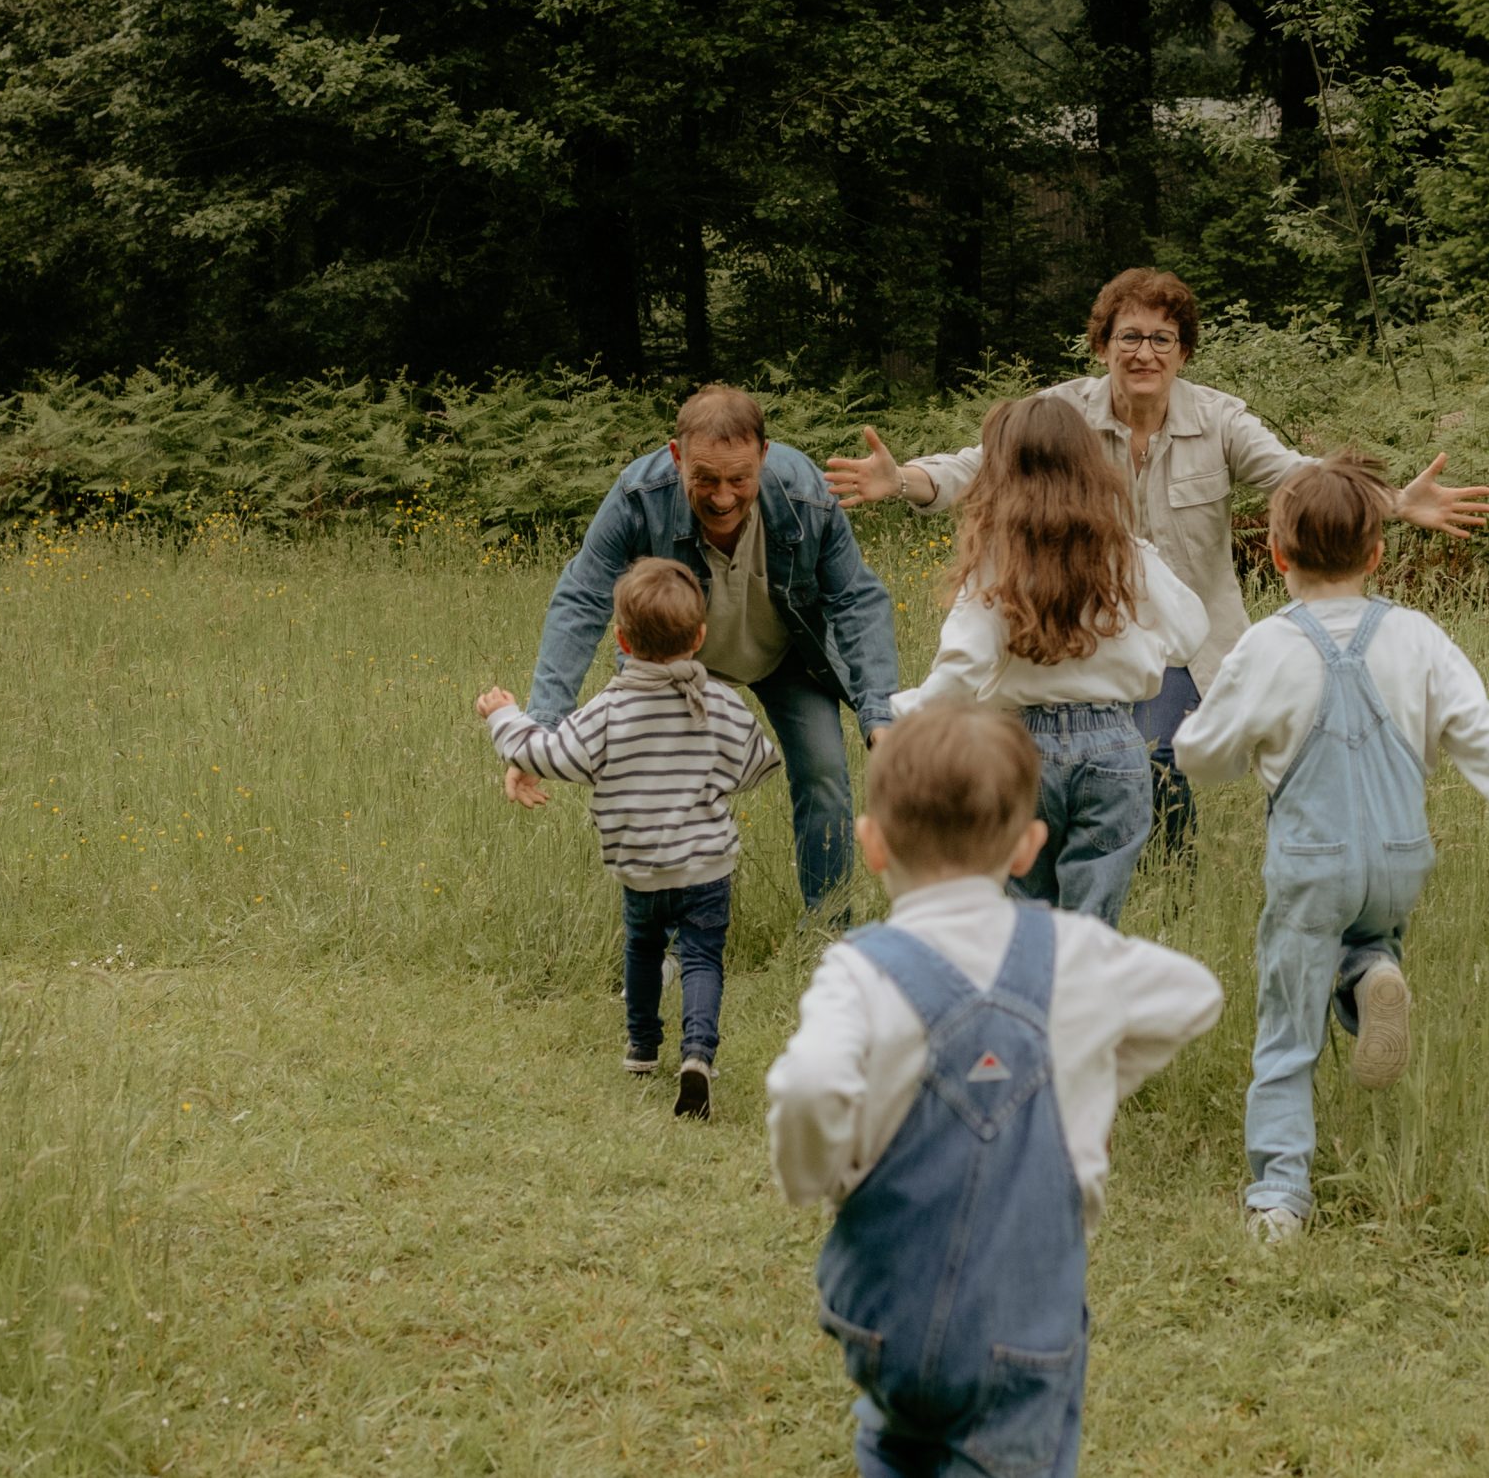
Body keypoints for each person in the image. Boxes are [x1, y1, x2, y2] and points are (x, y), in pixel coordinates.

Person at [824, 266, 1489, 855]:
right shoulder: (1061, 412)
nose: (1144, 352)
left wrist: (1394, 501)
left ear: (1183, 351)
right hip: (1090, 632)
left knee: (1216, 743)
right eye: (1129, 337)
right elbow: (978, 465)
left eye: (1161, 339)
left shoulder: (1222, 420)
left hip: (1192, 633)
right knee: (1121, 753)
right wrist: (903, 479)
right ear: (1103, 346)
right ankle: (1144, 866)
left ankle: (1240, 861)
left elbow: (1298, 478)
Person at [766, 703, 1223, 1477]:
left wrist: (812, 1173)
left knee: (894, 1446)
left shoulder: (859, 968)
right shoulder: (1076, 953)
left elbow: (811, 1081)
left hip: (886, 1324)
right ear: (1027, 845)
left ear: (871, 843)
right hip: (1025, 1334)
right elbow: (1196, 994)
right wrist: (1093, 1081)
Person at [1172, 455, 1489, 1243]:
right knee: (1362, 942)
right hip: (1400, 859)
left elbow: (1203, 751)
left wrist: (1224, 749)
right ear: (1378, 554)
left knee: (1287, 1026)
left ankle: (1281, 1196)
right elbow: (1479, 730)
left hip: (1311, 861)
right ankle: (1372, 974)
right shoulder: (1417, 636)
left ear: (1277, 554)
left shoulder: (1266, 645)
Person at [516, 385, 898, 919]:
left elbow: (856, 599)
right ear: (677, 458)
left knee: (825, 772)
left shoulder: (807, 496)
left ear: (764, 457)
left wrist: (881, 712)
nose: (723, 497)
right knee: (655, 784)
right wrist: (541, 724)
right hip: (668, 663)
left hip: (786, 653)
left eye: (740, 479)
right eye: (705, 479)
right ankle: (670, 940)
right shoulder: (637, 496)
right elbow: (580, 599)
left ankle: (827, 932)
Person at [477, 558, 780, 1120]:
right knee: (701, 958)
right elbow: (759, 765)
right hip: (706, 865)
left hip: (639, 866)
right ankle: (697, 1057)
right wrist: (707, 775)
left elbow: (545, 754)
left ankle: (642, 1047)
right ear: (700, 636)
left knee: (642, 948)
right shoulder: (718, 702)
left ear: (620, 639)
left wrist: (504, 717)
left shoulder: (610, 710)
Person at [889, 397, 1207, 926]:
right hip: (1114, 743)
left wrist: (914, 714)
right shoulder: (1124, 552)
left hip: (1023, 751)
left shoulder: (997, 559)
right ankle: (1082, 1001)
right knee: (1091, 927)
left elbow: (964, 663)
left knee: (1024, 918)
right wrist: (1135, 652)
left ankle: (1033, 1001)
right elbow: (1190, 631)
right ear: (1087, 466)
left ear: (1001, 473)